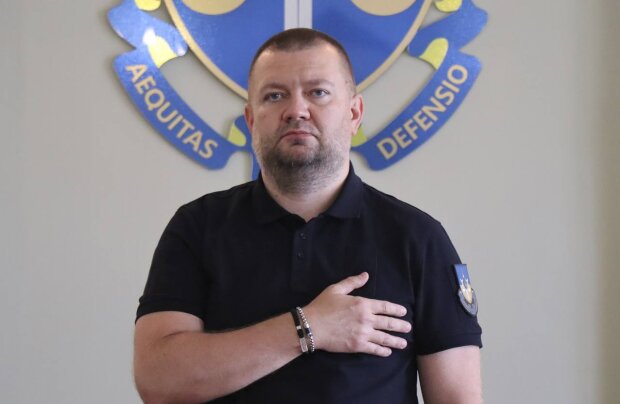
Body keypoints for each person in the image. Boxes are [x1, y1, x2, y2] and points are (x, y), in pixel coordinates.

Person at [133, 28, 482, 404]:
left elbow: (458, 398)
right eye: (275, 95)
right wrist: (309, 327)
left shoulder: (418, 237)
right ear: (251, 120)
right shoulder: (197, 227)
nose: (296, 110)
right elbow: (158, 380)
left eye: (318, 93)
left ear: (354, 113)